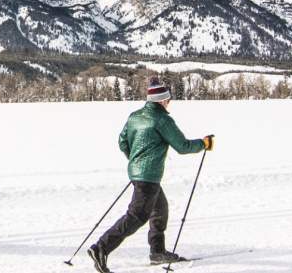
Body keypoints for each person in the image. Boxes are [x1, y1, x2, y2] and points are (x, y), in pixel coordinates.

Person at [88, 77, 214, 273]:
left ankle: (157, 252)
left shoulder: (134, 116)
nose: (169, 103)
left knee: (160, 209)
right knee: (137, 216)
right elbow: (182, 146)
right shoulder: (162, 119)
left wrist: (135, 160)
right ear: (162, 100)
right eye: (168, 99)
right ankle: (101, 248)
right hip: (148, 176)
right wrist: (203, 144)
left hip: (139, 174)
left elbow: (122, 142)